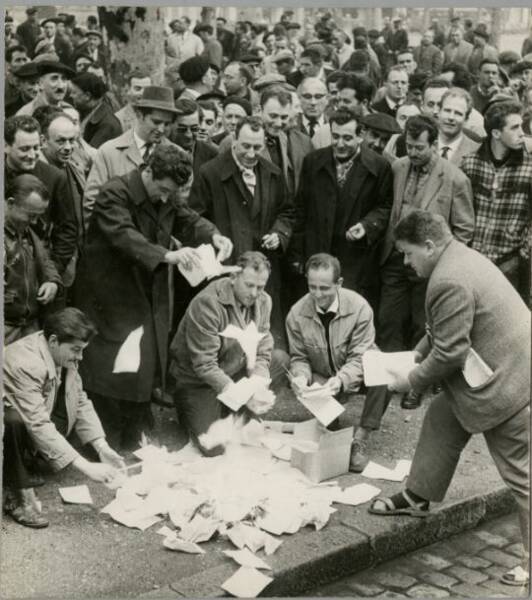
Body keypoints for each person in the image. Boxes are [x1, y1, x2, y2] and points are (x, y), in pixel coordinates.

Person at [370, 210, 530, 589]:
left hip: (509, 387)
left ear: (429, 245)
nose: (407, 263)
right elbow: (442, 329)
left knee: (523, 477)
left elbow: (450, 353)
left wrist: (410, 379)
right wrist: (415, 354)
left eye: (409, 254)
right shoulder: (459, 258)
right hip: (503, 369)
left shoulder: (448, 279)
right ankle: (418, 495)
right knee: (444, 416)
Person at [75, 144, 232, 450]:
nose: (164, 197)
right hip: (109, 291)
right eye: (161, 189)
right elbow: (123, 235)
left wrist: (213, 234)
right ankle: (103, 436)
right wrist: (167, 255)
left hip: (145, 285)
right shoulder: (114, 193)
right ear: (147, 171)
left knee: (143, 358)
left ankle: (134, 426)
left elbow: (187, 218)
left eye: (170, 192)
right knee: (111, 362)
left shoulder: (164, 191)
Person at [378, 115, 474, 409]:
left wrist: (443, 263)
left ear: (434, 144)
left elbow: (465, 228)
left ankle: (416, 385)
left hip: (429, 265)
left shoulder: (455, 178)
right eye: (409, 146)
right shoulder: (397, 167)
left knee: (424, 325)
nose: (414, 153)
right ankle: (385, 381)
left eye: (420, 147)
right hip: (395, 257)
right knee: (389, 320)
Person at [3, 307, 125, 529]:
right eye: (76, 350)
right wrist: (87, 467)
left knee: (58, 417)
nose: (80, 357)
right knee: (12, 420)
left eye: (82, 350)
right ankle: (18, 493)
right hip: (12, 419)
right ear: (53, 341)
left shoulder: (59, 352)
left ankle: (22, 462)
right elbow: (37, 422)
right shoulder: (26, 364)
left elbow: (79, 401)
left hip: (30, 413)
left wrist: (102, 447)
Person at [188, 116, 295, 348]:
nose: (251, 153)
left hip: (263, 271)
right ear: (234, 140)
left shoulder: (273, 173)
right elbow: (193, 217)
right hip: (227, 267)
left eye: (257, 147)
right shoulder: (210, 173)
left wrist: (279, 233)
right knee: (226, 334)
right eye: (245, 145)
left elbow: (287, 212)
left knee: (263, 331)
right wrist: (214, 235)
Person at [170, 251, 288, 455]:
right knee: (214, 447)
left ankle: (235, 412)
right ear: (233, 277)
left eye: (260, 287)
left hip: (234, 369)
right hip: (199, 382)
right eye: (249, 285)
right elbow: (205, 365)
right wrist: (243, 395)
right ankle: (191, 409)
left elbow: (263, 346)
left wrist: (258, 384)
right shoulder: (208, 303)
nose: (254, 293)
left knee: (280, 360)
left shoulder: (264, 300)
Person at [286, 253, 390, 471]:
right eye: (312, 287)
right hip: (321, 377)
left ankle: (360, 438)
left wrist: (341, 380)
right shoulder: (296, 313)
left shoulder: (360, 307)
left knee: (382, 367)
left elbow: (360, 355)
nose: (317, 294)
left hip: (352, 373)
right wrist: (300, 377)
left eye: (324, 288)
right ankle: (329, 424)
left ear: (339, 284)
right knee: (329, 429)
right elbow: (299, 358)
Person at [293, 107, 393, 314]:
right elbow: (300, 209)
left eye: (347, 138)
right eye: (335, 136)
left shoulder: (380, 166)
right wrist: (298, 254)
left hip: (354, 258)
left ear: (361, 136)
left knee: (348, 312)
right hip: (317, 251)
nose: (340, 144)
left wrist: (366, 226)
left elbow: (385, 207)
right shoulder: (313, 161)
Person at [461, 100, 532, 302]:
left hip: (510, 260)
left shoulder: (529, 167)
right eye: (515, 127)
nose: (522, 133)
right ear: (496, 133)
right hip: (473, 258)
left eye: (522, 126)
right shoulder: (470, 163)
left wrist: (523, 253)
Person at [84, 85, 180, 226]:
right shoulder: (109, 151)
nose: (161, 129)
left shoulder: (178, 155)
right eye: (156, 122)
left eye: (167, 124)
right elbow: (91, 204)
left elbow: (181, 210)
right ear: (139, 115)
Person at [5, 115, 78, 276]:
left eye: (36, 148)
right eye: (24, 149)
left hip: (40, 269)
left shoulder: (55, 177)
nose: (32, 155)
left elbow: (67, 231)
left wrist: (52, 275)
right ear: (6, 146)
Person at [4, 175, 62, 345]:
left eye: (38, 216)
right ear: (10, 203)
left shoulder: (25, 228)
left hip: (29, 326)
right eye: (30, 215)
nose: (35, 222)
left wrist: (52, 281)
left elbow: (44, 259)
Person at [68, 72, 122, 148]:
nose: (70, 96)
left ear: (87, 96)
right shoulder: (86, 113)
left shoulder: (108, 125)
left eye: (74, 92)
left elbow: (92, 156)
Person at [169, 98, 218, 180]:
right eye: (182, 129)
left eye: (194, 129)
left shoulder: (212, 155)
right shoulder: (157, 149)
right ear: (170, 124)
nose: (189, 135)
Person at [436, 87, 481, 166]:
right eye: (447, 110)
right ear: (439, 112)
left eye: (458, 113)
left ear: (466, 119)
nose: (451, 117)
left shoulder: (477, 151)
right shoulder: (424, 142)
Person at [296, 77, 330, 148]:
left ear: (327, 99)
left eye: (318, 96)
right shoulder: (291, 127)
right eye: (307, 96)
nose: (313, 102)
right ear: (299, 98)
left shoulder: (333, 125)